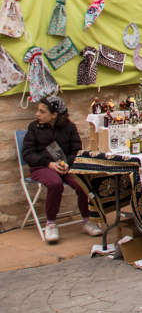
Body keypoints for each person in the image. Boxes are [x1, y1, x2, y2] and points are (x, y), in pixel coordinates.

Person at [21, 97, 102, 242]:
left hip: (66, 167)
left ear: (54, 115)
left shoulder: (69, 127)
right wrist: (49, 164)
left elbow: (76, 151)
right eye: (38, 111)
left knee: (82, 182)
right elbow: (28, 153)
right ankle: (51, 224)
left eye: (42, 111)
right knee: (55, 183)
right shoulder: (34, 127)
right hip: (42, 167)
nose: (37, 114)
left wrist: (66, 164)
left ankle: (87, 220)